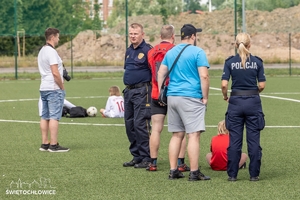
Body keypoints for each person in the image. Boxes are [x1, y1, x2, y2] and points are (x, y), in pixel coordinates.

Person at [157, 24, 210, 181]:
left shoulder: (171, 51)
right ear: (193, 36)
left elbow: (161, 72)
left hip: (172, 96)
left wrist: (161, 91)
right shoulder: (198, 52)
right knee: (193, 135)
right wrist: (205, 97)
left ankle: (173, 170)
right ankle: (194, 172)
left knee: (176, 135)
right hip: (191, 97)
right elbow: (204, 76)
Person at [221, 32, 266, 181]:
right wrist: (255, 91)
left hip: (235, 102)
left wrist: (225, 96)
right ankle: (254, 175)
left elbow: (224, 84)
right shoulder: (257, 62)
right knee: (253, 141)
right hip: (253, 102)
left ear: (235, 44)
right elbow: (262, 85)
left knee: (234, 141)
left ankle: (232, 175)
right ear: (250, 45)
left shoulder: (229, 62)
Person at [146, 25, 189, 172]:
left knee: (156, 129)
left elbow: (152, 70)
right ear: (173, 36)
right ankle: (180, 162)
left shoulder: (151, 51)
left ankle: (153, 162)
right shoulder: (177, 50)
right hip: (174, 93)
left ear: (160, 36)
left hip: (157, 93)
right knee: (179, 130)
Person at [122, 23, 152, 168]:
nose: (133, 36)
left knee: (141, 124)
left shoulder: (148, 50)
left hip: (142, 91)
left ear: (142, 34)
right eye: (131, 34)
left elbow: (155, 72)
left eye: (136, 33)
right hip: (129, 91)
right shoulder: (128, 51)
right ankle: (137, 156)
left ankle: (147, 157)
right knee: (129, 124)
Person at [38, 27, 69, 153]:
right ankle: (54, 145)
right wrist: (61, 86)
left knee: (44, 116)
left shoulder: (42, 51)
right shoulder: (51, 52)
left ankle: (45, 143)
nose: (59, 39)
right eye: (58, 36)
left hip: (44, 87)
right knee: (54, 117)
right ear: (53, 37)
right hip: (53, 88)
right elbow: (55, 72)